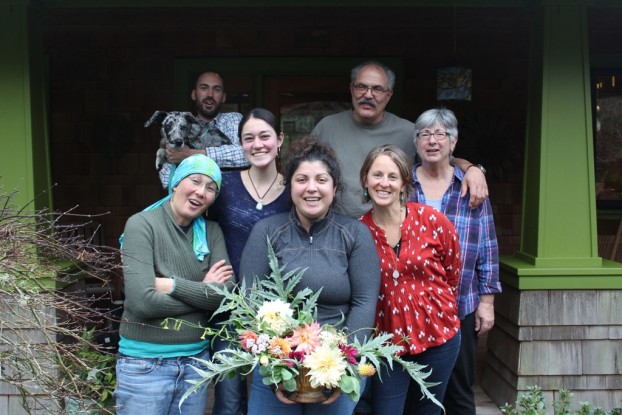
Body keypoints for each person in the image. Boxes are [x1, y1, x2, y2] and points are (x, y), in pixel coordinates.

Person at [239, 137, 380, 415]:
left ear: (335, 186)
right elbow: (249, 301)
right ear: (289, 186)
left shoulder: (355, 235)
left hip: (335, 368)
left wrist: (344, 365)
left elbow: (365, 303)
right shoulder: (266, 232)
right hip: (275, 368)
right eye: (301, 179)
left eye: (321, 179)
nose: (311, 188)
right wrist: (276, 366)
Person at [116, 154, 235, 415]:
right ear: (176, 182)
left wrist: (171, 285)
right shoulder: (142, 225)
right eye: (195, 181)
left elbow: (225, 296)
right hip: (145, 364)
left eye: (211, 188)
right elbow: (142, 302)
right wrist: (202, 291)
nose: (201, 192)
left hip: (196, 365)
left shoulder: (212, 232)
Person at [409, 108, 501, 415]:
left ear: (453, 141)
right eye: (425, 134)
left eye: (440, 134)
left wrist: (486, 302)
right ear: (416, 141)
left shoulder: (472, 186)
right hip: (412, 307)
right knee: (417, 388)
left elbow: (487, 246)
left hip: (459, 303)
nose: (432, 141)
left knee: (459, 390)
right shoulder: (403, 186)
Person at [311, 60, 488, 219]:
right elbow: (303, 169)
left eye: (377, 89)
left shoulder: (408, 131)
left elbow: (443, 161)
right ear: (351, 89)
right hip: (338, 229)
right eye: (361, 86)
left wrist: (473, 169)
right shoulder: (327, 127)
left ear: (389, 95)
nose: (368, 95)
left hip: (392, 232)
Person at [359, 144, 462, 415]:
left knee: (427, 411)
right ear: (365, 180)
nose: (384, 183)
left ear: (404, 182)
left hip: (438, 336)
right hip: (387, 344)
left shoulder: (432, 220)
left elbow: (453, 273)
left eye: (392, 176)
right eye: (377, 175)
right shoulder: (357, 232)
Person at [207, 108, 290, 415]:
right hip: (229, 308)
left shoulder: (294, 189)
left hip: (277, 311)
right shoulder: (224, 185)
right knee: (228, 402)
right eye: (249, 138)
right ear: (240, 144)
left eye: (265, 136)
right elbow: (204, 232)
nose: (258, 144)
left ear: (279, 139)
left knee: (269, 398)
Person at [159, 71, 249, 189]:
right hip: (195, 201)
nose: (210, 94)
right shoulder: (178, 130)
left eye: (216, 89)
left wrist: (191, 155)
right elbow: (167, 181)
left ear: (223, 97)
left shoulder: (232, 120)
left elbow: (246, 155)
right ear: (194, 94)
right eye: (204, 88)